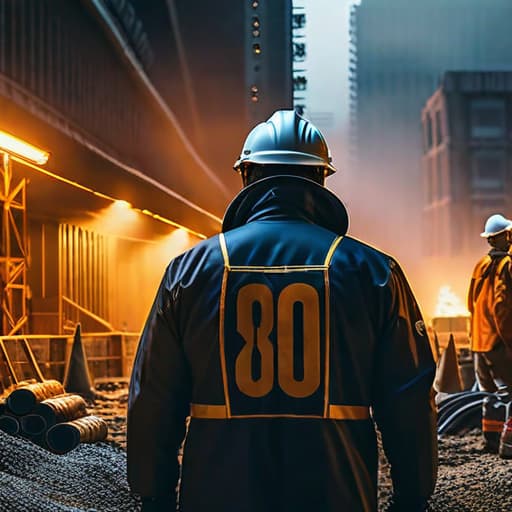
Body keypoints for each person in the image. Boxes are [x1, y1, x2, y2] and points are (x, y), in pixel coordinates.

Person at [127, 110, 438, 512]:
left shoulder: (189, 271)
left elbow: (153, 396)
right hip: (337, 494)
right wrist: (412, 497)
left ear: (246, 175)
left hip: (216, 495)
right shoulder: (374, 272)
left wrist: (155, 495)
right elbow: (409, 399)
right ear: (321, 178)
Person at [467, 214, 512, 455]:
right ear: (504, 236)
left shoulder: (480, 264)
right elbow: (501, 307)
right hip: (498, 342)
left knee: (491, 394)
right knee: (510, 392)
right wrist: (509, 341)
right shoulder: (506, 265)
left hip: (479, 341)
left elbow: (471, 303)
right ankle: (509, 445)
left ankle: (492, 441)